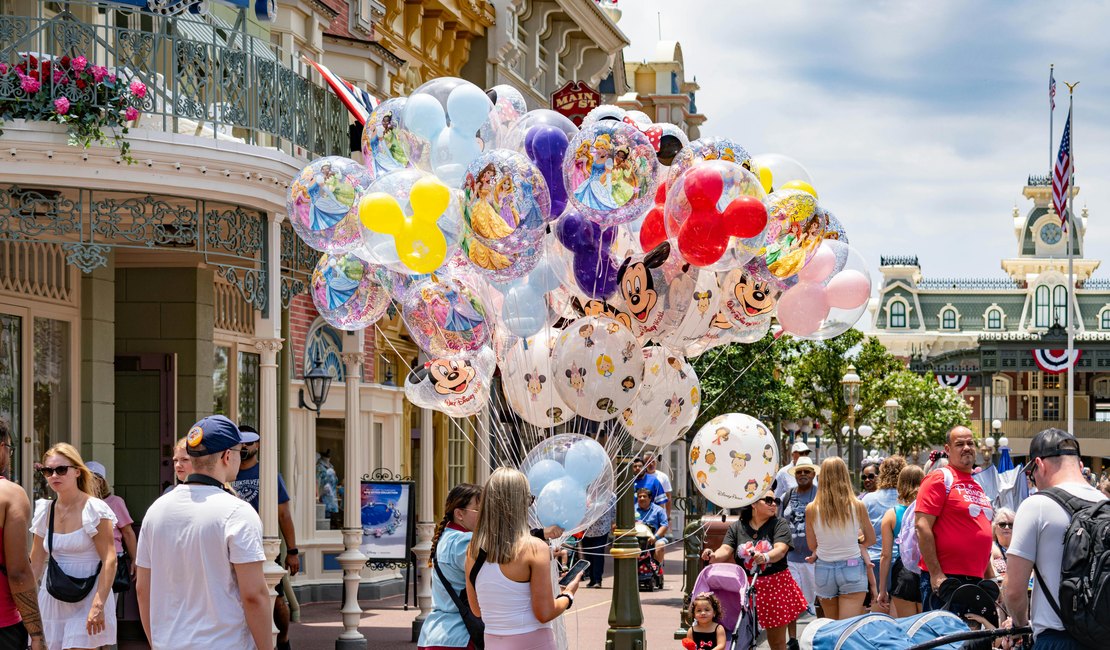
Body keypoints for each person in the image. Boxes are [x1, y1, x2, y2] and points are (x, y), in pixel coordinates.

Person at [136, 415, 271, 649]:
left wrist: (156, 642)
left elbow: (142, 589)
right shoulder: (238, 512)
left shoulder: (156, 510)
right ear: (227, 456)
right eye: (241, 451)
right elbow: (254, 595)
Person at [1004, 428, 1105, 649]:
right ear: (1079, 465)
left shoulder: (1036, 505)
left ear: (1039, 464)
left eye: (1032, 473)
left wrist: (1020, 624)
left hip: (1057, 638)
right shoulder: (1104, 505)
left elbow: (1013, 590)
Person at [465, 468, 581, 650]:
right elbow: (545, 612)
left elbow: (477, 609)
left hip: (493, 641)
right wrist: (568, 594)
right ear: (520, 503)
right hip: (534, 642)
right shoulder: (534, 548)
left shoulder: (473, 549)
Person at [29, 443, 118, 650]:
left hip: (89, 594)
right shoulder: (45, 511)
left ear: (77, 471)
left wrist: (99, 604)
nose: (54, 475)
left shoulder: (94, 509)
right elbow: (35, 563)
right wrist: (24, 605)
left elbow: (110, 559)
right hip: (53, 596)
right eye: (48, 471)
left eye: (61, 469)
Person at [703, 488, 808, 650]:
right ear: (753, 504)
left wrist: (766, 557)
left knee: (777, 642)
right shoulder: (738, 527)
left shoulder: (780, 524)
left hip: (775, 586)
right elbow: (725, 550)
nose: (774, 504)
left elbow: (780, 549)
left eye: (776, 501)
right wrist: (712, 556)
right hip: (746, 588)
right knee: (742, 638)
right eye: (768, 500)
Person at [230, 425, 299, 650]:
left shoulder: (268, 475)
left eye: (249, 443)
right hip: (231, 546)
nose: (244, 447)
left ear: (257, 445)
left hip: (264, 547)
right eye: (240, 443)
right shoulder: (227, 474)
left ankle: (283, 640)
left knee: (276, 599)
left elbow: (283, 513)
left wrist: (293, 551)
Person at [915, 426, 995, 612]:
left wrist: (990, 578)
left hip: (976, 581)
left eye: (970, 443)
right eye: (959, 444)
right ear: (948, 449)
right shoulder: (939, 478)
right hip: (947, 582)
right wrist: (936, 574)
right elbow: (922, 526)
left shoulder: (977, 485)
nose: (966, 447)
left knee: (972, 640)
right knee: (944, 639)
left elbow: (979, 533)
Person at [805, 457, 875, 621]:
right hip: (852, 567)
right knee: (847, 628)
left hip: (824, 568)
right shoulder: (857, 505)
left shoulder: (812, 509)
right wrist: (856, 543)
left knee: (832, 626)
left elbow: (812, 545)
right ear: (845, 476)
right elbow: (871, 539)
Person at [418, 483, 482, 650]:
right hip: (459, 635)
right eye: (479, 510)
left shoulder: (446, 537)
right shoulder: (464, 541)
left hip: (433, 633)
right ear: (459, 514)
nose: (485, 516)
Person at [0, 420, 45, 649]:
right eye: (9, 448)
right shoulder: (10, 495)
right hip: (3, 622)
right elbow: (18, 572)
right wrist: (36, 634)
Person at [87, 462, 138, 608]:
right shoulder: (79, 503)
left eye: (95, 477)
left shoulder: (115, 502)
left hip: (111, 559)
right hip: (87, 559)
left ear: (102, 481)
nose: (91, 481)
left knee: (108, 605)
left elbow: (127, 532)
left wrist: (134, 558)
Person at [780, 455, 819, 645]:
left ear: (813, 474)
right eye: (799, 472)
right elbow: (779, 522)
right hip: (790, 557)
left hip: (814, 559)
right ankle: (793, 639)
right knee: (791, 601)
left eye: (806, 471)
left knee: (817, 600)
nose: (803, 475)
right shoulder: (787, 495)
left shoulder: (821, 494)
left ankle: (819, 635)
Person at [877, 464, 924, 618]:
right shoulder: (930, 511)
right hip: (927, 568)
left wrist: (882, 589)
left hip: (904, 571)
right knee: (929, 625)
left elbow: (886, 555)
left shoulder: (892, 514)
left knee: (908, 627)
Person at [862, 455, 905, 612]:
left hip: (874, 563)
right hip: (902, 563)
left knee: (877, 614)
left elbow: (861, 532)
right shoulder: (907, 500)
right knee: (899, 616)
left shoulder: (869, 499)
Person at [580, 495, 615, 588]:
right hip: (587, 530)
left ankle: (598, 580)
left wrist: (613, 524)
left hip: (602, 529)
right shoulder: (586, 494)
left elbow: (613, 511)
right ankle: (591, 579)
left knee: (598, 553)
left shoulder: (610, 495)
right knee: (588, 555)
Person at [634, 488, 668, 564]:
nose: (641, 498)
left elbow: (664, 525)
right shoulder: (632, 509)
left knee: (660, 545)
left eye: (644, 496)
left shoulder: (659, 510)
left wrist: (655, 537)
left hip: (654, 537)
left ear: (650, 498)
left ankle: (656, 568)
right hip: (636, 538)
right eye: (639, 496)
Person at [643, 452, 672, 518]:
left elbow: (668, 497)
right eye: (648, 462)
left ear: (656, 462)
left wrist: (668, 515)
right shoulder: (641, 477)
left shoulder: (663, 477)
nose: (651, 464)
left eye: (653, 461)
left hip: (658, 514)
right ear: (644, 464)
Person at [989, 507, 1015, 580]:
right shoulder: (990, 547)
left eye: (1011, 525)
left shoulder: (1021, 548)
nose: (1007, 527)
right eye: (1002, 524)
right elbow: (990, 573)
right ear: (995, 527)